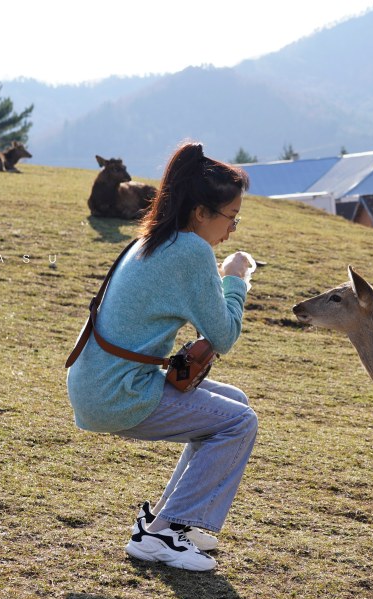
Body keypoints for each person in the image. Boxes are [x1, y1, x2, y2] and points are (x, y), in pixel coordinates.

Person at [66, 141, 257, 572]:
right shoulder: (191, 251)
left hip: (97, 380)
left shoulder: (155, 238)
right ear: (201, 213)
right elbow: (223, 336)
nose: (232, 229)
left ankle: (168, 524)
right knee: (239, 423)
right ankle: (165, 535)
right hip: (116, 393)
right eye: (231, 217)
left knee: (237, 405)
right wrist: (236, 279)